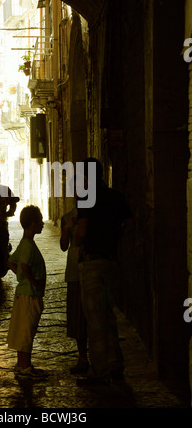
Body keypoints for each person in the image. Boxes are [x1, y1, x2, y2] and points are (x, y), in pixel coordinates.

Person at [75, 157, 132, 385]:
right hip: (111, 262)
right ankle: (116, 363)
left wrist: (80, 239)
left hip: (92, 263)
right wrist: (115, 237)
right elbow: (129, 223)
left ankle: (100, 370)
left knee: (95, 320)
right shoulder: (116, 197)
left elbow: (82, 231)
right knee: (108, 315)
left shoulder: (86, 198)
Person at [7, 205, 47, 379]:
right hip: (29, 295)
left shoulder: (24, 244)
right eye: (40, 221)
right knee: (26, 332)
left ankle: (21, 364)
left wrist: (21, 278)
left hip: (24, 293)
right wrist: (34, 282)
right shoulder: (29, 246)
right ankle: (25, 367)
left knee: (22, 330)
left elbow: (11, 262)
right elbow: (23, 265)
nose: (43, 224)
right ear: (32, 224)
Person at [60, 201, 88, 375]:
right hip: (74, 270)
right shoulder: (66, 217)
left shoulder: (94, 216)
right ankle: (82, 357)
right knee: (77, 315)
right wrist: (66, 228)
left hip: (90, 266)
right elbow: (63, 246)